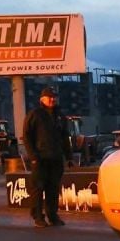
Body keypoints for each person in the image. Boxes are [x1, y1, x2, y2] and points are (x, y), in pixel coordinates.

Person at [23, 87, 73, 228]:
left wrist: (69, 156)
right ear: (42, 99)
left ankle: (53, 216)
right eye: (49, 97)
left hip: (56, 159)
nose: (52, 99)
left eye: (54, 97)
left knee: (53, 189)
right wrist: (33, 156)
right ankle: (38, 217)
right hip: (40, 159)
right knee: (38, 189)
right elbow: (26, 136)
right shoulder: (35, 114)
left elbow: (65, 137)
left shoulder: (60, 116)